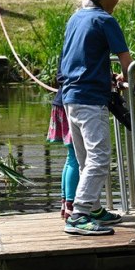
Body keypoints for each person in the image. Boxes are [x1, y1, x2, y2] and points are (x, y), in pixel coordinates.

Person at [60, 0, 132, 236]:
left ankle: (94, 208)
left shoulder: (76, 17)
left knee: (83, 158)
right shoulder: (105, 19)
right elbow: (128, 63)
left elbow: (77, 58)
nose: (118, 1)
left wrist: (105, 75)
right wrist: (126, 78)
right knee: (99, 157)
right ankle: (79, 215)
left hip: (71, 97)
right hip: (91, 100)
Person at [46, 66, 78, 220]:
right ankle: (70, 206)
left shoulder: (68, 46)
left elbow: (60, 76)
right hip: (69, 102)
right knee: (75, 157)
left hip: (60, 101)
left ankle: (65, 202)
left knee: (71, 156)